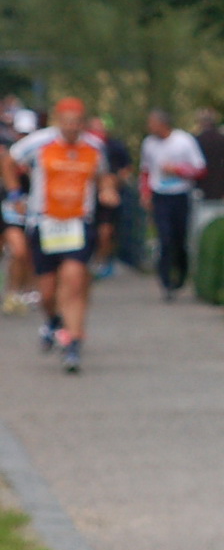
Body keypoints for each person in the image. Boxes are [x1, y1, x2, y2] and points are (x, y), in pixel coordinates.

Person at [4, 98, 118, 373]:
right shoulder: (39, 142)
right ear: (57, 121)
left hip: (79, 223)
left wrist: (107, 189)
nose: (71, 128)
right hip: (45, 223)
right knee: (48, 292)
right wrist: (15, 193)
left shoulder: (93, 146)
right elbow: (8, 160)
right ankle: (53, 320)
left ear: (83, 122)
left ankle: (73, 343)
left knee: (75, 280)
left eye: (76, 122)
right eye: (66, 122)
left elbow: (104, 175)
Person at [140, 110, 206, 299]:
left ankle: (182, 272)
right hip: (160, 194)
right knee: (164, 237)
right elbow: (145, 170)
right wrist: (145, 193)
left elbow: (200, 168)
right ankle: (165, 282)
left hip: (180, 194)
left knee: (179, 238)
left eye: (152, 123)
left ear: (163, 124)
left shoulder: (184, 141)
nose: (150, 127)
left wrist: (177, 170)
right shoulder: (149, 144)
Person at [85, 116, 133, 279]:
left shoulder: (115, 147)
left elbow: (126, 169)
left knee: (106, 231)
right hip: (87, 196)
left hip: (109, 196)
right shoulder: (83, 147)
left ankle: (102, 261)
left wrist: (115, 183)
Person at [0, 105, 37, 313]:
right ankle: (13, 291)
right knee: (18, 250)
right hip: (10, 208)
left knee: (25, 252)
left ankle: (19, 291)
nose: (23, 137)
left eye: (28, 133)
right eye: (21, 132)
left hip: (32, 209)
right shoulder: (8, 150)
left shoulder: (39, 151)